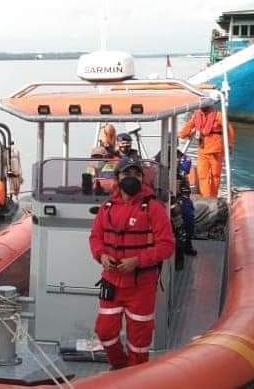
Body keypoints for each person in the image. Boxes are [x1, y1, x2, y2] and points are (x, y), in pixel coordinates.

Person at [89, 158, 175, 369]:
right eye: (127, 174)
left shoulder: (154, 208)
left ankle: (135, 376)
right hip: (111, 282)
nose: (132, 179)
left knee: (139, 342)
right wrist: (101, 255)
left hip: (141, 285)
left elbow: (167, 246)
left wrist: (138, 261)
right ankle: (119, 366)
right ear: (117, 178)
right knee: (104, 331)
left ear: (142, 179)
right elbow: (95, 238)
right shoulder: (106, 208)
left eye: (137, 175)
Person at [178, 105, 234, 197]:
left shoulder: (218, 115)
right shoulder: (197, 115)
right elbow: (189, 126)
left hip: (215, 151)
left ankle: (213, 197)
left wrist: (230, 144)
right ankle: (206, 197)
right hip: (203, 150)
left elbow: (228, 129)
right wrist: (181, 134)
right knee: (202, 176)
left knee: (215, 176)